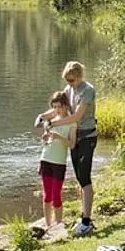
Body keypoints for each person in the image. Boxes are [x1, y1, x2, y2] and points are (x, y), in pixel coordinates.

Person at [45, 61, 98, 236]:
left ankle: (86, 220)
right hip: (74, 136)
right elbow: (61, 109)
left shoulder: (87, 90)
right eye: (67, 80)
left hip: (87, 136)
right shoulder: (69, 90)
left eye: (72, 80)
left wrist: (54, 123)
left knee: (85, 176)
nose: (69, 83)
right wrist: (44, 117)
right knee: (78, 177)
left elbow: (76, 116)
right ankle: (84, 215)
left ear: (79, 76)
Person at [37, 91, 77, 228]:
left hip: (59, 162)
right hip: (45, 159)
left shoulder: (71, 122)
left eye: (59, 106)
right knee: (47, 195)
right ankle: (48, 225)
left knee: (56, 196)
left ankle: (59, 225)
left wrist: (59, 137)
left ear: (65, 105)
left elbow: (72, 144)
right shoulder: (50, 122)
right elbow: (45, 140)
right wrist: (45, 139)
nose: (56, 110)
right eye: (54, 107)